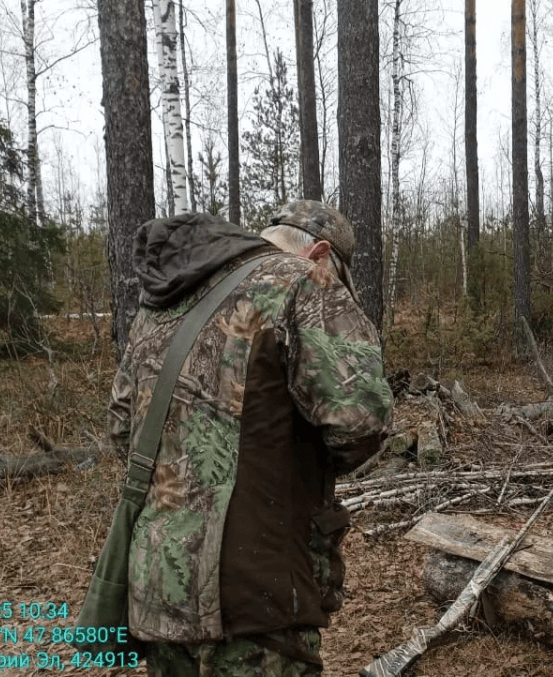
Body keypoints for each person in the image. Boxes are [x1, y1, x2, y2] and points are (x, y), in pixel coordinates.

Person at [108, 202, 393, 677]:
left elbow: (122, 429)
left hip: (156, 588)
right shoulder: (305, 281)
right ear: (321, 254)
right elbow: (361, 421)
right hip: (256, 594)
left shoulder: (170, 298)